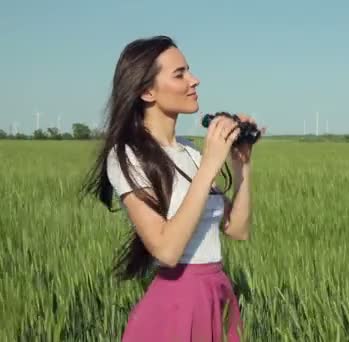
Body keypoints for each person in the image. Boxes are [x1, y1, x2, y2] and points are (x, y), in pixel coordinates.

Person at [80, 35, 259, 341]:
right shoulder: (127, 156)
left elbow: (237, 229)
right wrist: (209, 167)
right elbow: (166, 250)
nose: (195, 80)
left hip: (217, 292)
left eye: (189, 70)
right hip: (177, 302)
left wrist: (242, 165)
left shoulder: (189, 152)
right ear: (147, 91)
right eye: (180, 74)